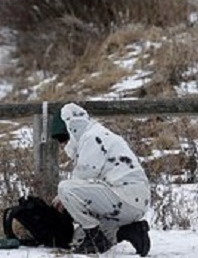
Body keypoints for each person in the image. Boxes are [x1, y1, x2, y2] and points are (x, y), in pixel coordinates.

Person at [50, 103, 151, 255]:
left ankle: (94, 237)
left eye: (64, 137)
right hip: (130, 201)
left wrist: (61, 199)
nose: (63, 144)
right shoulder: (97, 135)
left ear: (72, 127)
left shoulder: (92, 137)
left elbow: (85, 174)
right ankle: (131, 232)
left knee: (65, 188)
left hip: (124, 195)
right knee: (77, 238)